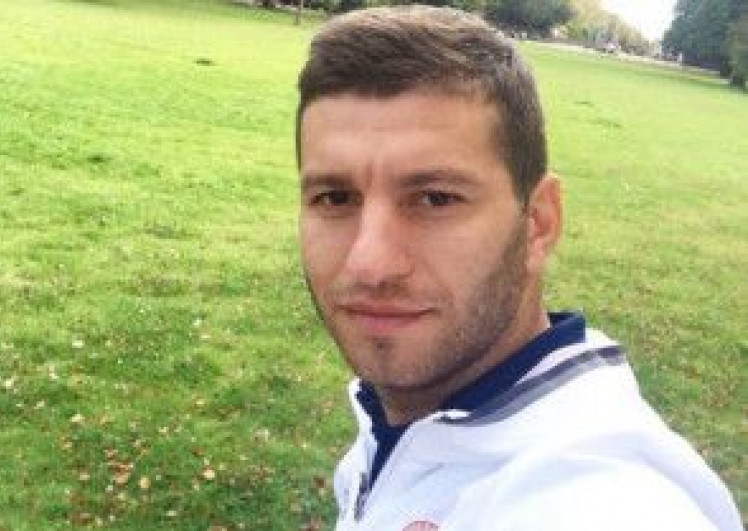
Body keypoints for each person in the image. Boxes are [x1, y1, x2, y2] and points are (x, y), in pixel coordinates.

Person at [295, 6, 742, 530]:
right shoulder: (406, 423)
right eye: (335, 198)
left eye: (436, 199)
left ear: (539, 223)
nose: (369, 263)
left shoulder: (604, 500)